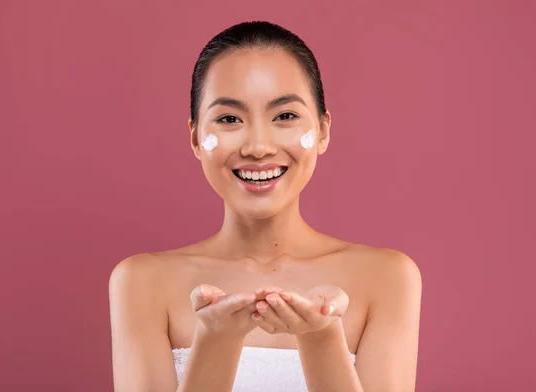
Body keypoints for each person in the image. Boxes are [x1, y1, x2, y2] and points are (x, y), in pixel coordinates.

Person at [109, 20, 422, 392]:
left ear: (322, 130)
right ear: (195, 137)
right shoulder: (141, 282)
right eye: (229, 119)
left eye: (285, 116)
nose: (258, 146)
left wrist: (321, 340)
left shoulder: (387, 278)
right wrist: (215, 341)